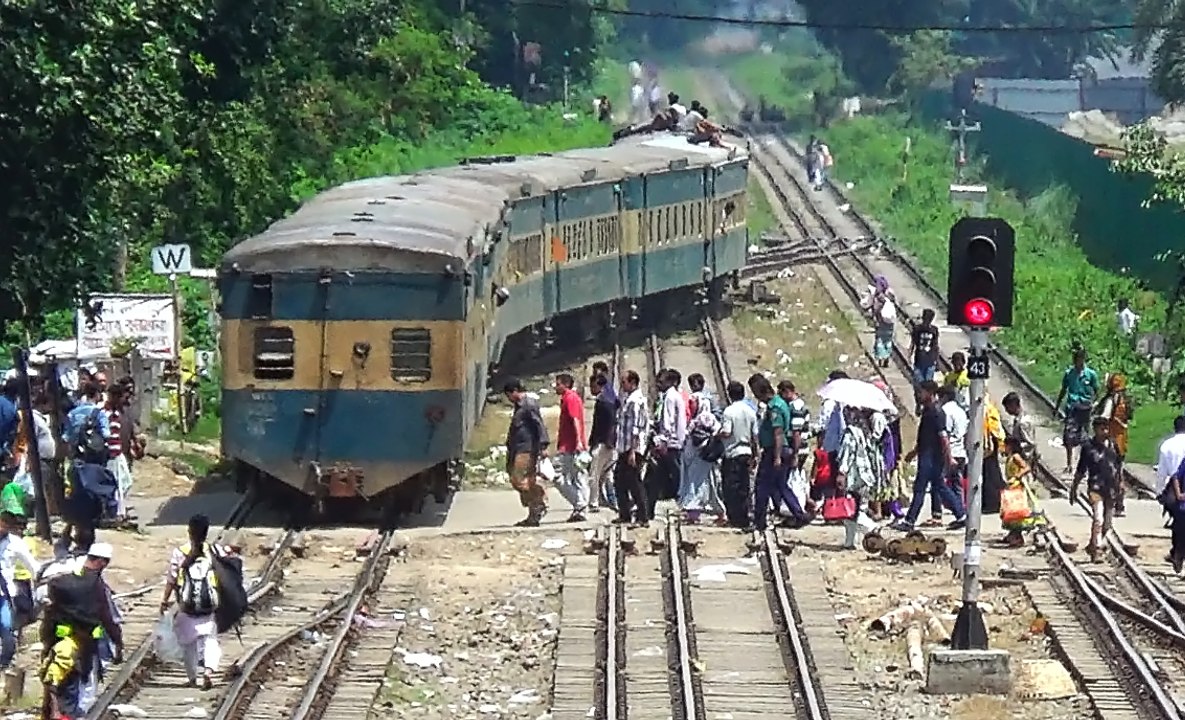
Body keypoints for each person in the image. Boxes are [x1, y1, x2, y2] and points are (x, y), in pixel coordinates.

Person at [160, 514, 229, 689]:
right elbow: (226, 574)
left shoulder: (180, 552)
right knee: (210, 639)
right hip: (209, 606)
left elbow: (172, 579)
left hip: (186, 606)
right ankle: (208, 671)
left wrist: (165, 600)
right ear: (206, 532)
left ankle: (192, 678)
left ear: (189, 531)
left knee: (187, 643)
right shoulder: (215, 551)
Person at [891, 381, 967, 532]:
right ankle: (961, 515)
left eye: (921, 392)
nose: (919, 395)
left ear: (930, 393)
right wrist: (914, 452)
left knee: (920, 488)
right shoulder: (928, 411)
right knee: (940, 486)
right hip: (927, 454)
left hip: (932, 457)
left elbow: (943, 438)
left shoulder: (936, 412)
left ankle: (910, 521)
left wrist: (949, 458)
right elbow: (925, 436)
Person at [752, 377, 811, 531]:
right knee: (781, 485)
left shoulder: (775, 407)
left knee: (762, 486)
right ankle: (799, 514)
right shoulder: (780, 403)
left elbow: (778, 433)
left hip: (775, 450)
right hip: (780, 450)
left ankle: (759, 521)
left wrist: (777, 456)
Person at [1071, 417, 1121, 562]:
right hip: (1095, 486)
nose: (1104, 431)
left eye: (1106, 428)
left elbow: (1119, 466)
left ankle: (1093, 544)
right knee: (1098, 518)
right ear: (1095, 429)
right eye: (1101, 429)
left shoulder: (1113, 445)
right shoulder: (1088, 447)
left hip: (1111, 488)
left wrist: (1120, 485)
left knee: (1107, 523)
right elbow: (1081, 469)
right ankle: (1097, 549)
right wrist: (1074, 487)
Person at [502, 379, 550, 527]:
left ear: (515, 391)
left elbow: (539, 424)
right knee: (521, 479)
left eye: (509, 395)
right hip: (518, 448)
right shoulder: (519, 406)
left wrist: (543, 445)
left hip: (526, 448)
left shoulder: (528, 405)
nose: (509, 399)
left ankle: (540, 499)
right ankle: (533, 513)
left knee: (519, 478)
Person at [834, 407, 881, 549]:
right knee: (853, 510)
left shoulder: (850, 434)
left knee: (851, 510)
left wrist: (842, 473)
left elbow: (847, 454)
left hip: (854, 477)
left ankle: (871, 528)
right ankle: (850, 542)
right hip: (865, 476)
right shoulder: (863, 432)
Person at [0, 509, 39, 670]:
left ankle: (5, 663)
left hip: (4, 594)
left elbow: (33, 566)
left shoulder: (16, 544)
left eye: (5, 527)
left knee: (7, 627)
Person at [680, 393, 725, 524]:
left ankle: (694, 513)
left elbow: (688, 436)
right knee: (711, 485)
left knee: (696, 485)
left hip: (698, 457)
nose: (691, 406)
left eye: (693, 403)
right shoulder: (713, 419)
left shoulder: (699, 419)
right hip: (708, 458)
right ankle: (720, 512)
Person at [718, 381, 758, 529]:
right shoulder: (750, 411)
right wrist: (756, 455)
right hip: (746, 452)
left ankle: (734, 518)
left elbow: (727, 432)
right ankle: (744, 517)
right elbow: (755, 436)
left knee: (730, 487)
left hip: (732, 453)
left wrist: (717, 435)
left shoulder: (729, 411)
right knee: (744, 487)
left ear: (730, 395)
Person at [1055, 348, 1100, 476]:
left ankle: (1083, 465)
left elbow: (1097, 391)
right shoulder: (1069, 373)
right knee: (1069, 436)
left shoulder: (1091, 374)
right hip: (1072, 408)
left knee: (1084, 438)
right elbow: (1064, 390)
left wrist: (1094, 404)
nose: (1078, 363)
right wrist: (1057, 406)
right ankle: (1069, 464)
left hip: (1085, 409)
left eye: (1080, 360)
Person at [647, 369, 686, 517]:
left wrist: (662, 442)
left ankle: (651, 508)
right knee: (664, 475)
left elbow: (668, 423)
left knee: (661, 476)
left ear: (669, 382)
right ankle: (651, 508)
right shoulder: (676, 396)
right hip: (675, 443)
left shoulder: (669, 397)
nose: (658, 384)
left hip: (669, 444)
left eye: (661, 382)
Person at [613, 370, 650, 527]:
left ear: (633, 382)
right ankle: (625, 514)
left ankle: (643, 517)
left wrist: (633, 452)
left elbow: (635, 428)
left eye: (624, 382)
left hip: (632, 448)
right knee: (620, 480)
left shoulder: (635, 401)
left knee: (634, 483)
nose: (622, 385)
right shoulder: (629, 399)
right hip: (625, 448)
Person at [553, 373, 589, 522]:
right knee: (578, 478)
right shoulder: (571, 398)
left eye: (558, 384)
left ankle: (580, 504)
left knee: (557, 476)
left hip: (569, 446)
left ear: (566, 385)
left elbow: (575, 420)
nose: (555, 387)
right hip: (573, 445)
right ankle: (581, 510)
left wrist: (578, 441)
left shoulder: (570, 398)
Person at [1096, 373, 1133, 516]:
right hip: (1122, 441)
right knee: (1119, 472)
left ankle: (1110, 501)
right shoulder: (1124, 400)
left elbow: (1104, 418)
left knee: (1109, 472)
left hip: (1111, 441)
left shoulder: (1112, 400)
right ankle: (1120, 504)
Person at [1000, 436, 1047, 547]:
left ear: (1010, 446)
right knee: (1010, 512)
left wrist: (1017, 476)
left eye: (1005, 445)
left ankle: (1017, 537)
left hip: (1017, 487)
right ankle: (1012, 534)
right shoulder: (1010, 457)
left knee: (1016, 512)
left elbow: (1026, 467)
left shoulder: (1016, 457)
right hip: (1011, 487)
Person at [42, 623, 86, 720]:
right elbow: (52, 678)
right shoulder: (67, 648)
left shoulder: (71, 646)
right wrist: (56, 710)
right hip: (64, 707)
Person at [587, 373, 617, 513]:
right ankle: (609, 499)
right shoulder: (610, 399)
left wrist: (597, 441)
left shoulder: (603, 402)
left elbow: (607, 423)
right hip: (608, 442)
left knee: (594, 473)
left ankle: (594, 502)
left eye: (593, 386)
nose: (591, 389)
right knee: (606, 473)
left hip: (602, 442)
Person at [981, 393, 1007, 516]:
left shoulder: (987, 409)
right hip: (990, 443)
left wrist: (991, 442)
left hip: (990, 443)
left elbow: (993, 427)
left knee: (990, 473)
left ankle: (992, 503)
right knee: (990, 473)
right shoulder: (988, 408)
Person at [861, 275, 896, 368]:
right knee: (888, 340)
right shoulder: (890, 294)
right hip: (890, 323)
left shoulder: (878, 296)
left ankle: (881, 360)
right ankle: (887, 358)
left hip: (880, 322)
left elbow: (874, 308)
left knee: (880, 340)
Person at [1001, 392, 1038, 462]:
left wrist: (1015, 445)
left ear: (1013, 405)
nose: (1006, 410)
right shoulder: (1018, 419)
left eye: (1007, 408)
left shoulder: (1023, 423)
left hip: (1024, 460)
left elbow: (1030, 444)